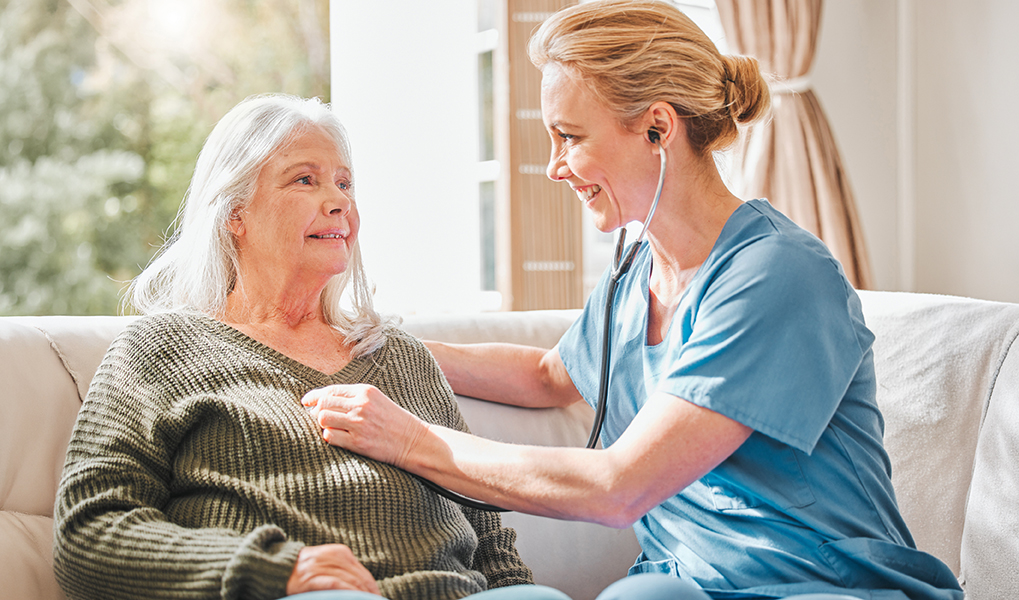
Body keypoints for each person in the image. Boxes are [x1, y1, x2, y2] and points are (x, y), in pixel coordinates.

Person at [299, 2, 965, 600]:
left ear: (655, 128)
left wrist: (412, 442)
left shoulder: (775, 276)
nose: (555, 164)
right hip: (683, 583)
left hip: (815, 584)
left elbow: (621, 487)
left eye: (569, 136)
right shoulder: (639, 273)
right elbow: (549, 375)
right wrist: (381, 343)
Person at [52, 94, 570, 600]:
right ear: (236, 213)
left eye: (345, 183)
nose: (340, 200)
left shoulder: (404, 358)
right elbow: (89, 533)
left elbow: (490, 543)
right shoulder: (159, 352)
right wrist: (272, 568)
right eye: (306, 179)